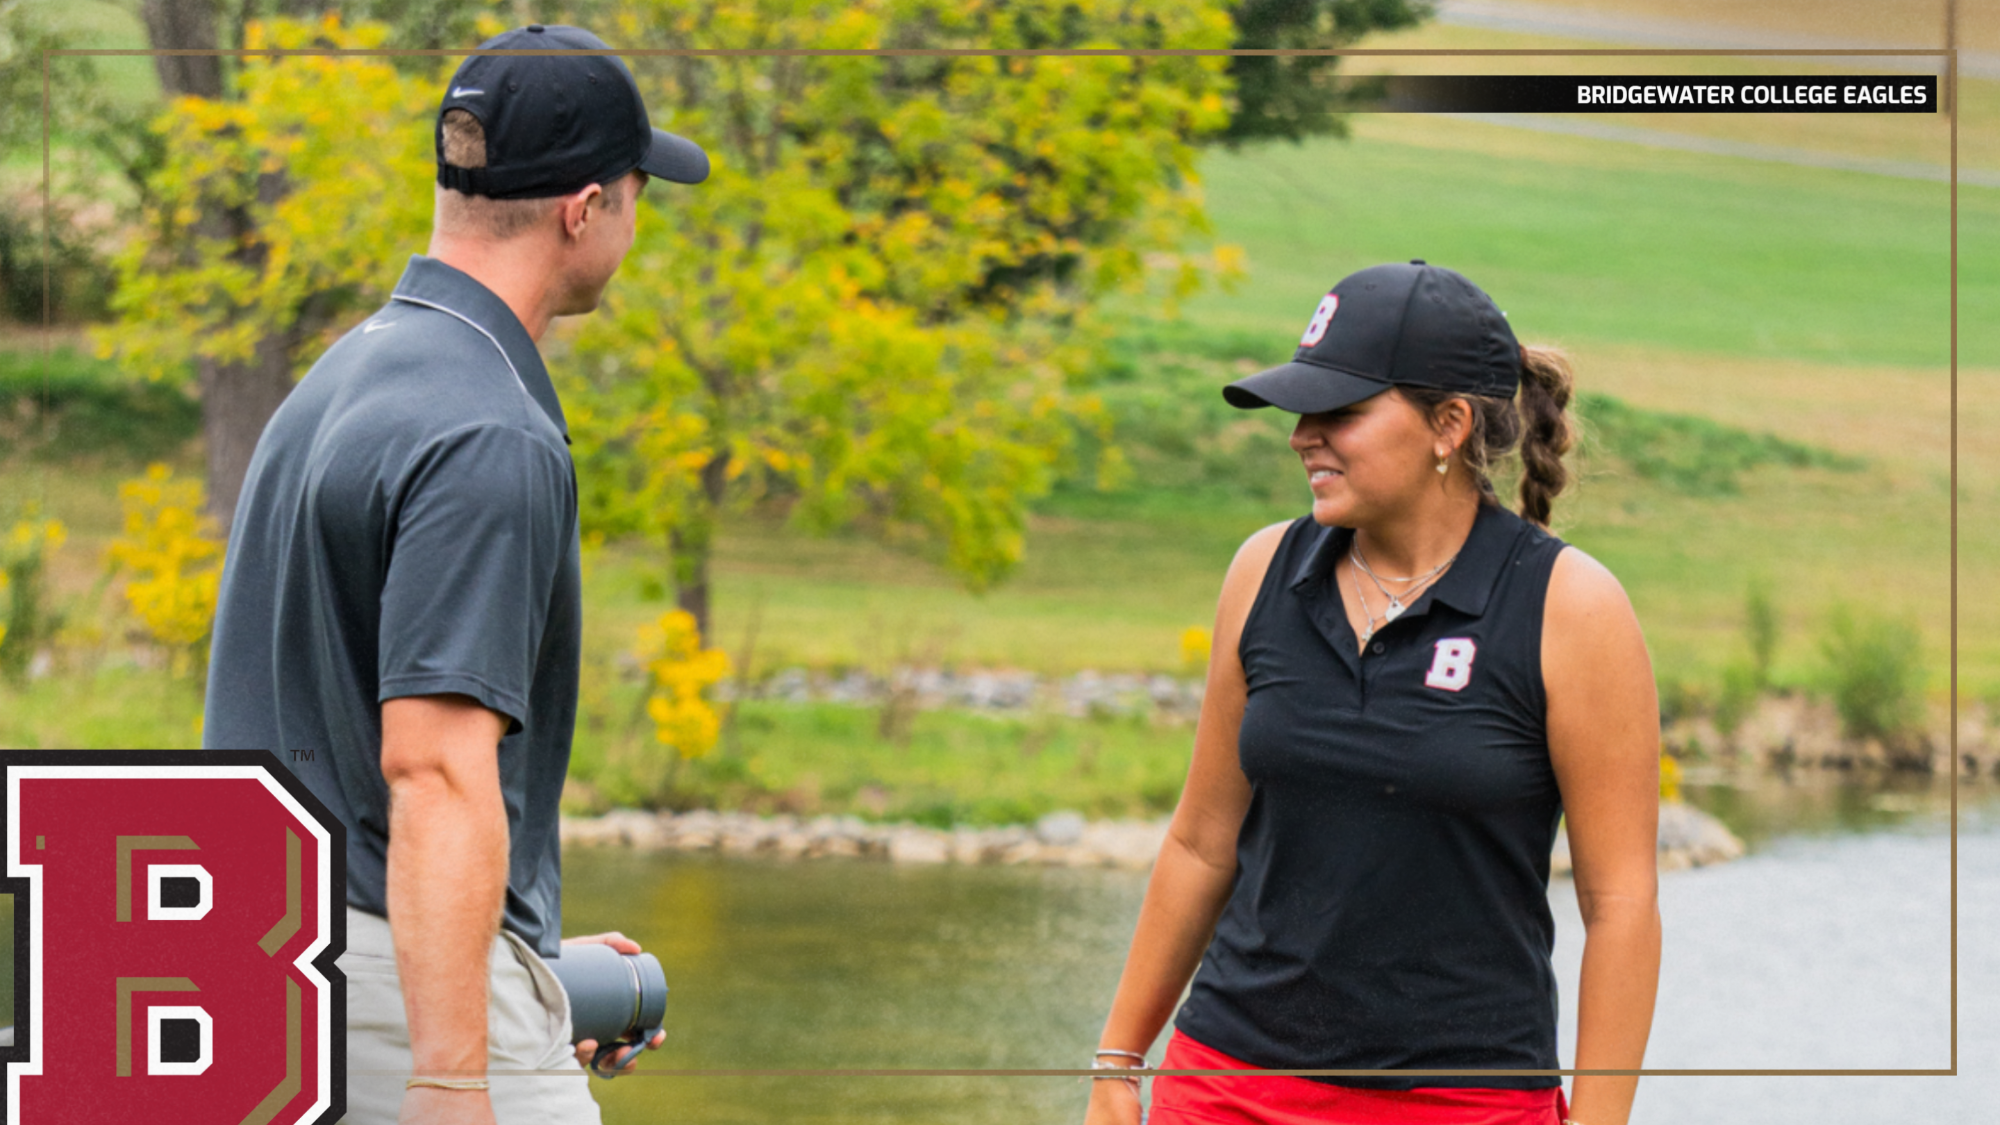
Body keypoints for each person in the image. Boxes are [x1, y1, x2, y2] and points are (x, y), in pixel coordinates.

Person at [202, 25, 708, 1125]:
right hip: (389, 1007)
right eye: (634, 189)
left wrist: (523, 959)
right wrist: (451, 1077)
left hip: (261, 973)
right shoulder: (488, 431)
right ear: (587, 209)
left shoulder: (350, 372)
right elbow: (431, 773)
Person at [1083, 261, 1661, 1125]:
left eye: (1339, 412)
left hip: (1461, 1103)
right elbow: (1203, 842)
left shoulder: (1569, 608)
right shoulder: (1262, 573)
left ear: (1448, 425)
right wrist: (1117, 1066)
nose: (1301, 436)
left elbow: (1620, 902)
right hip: (1226, 1088)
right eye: (1300, 412)